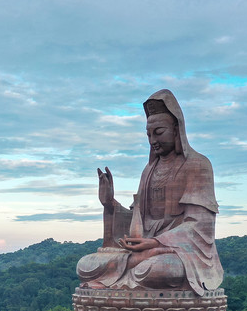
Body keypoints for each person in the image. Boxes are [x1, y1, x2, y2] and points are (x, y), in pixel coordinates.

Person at [76, 89, 223, 296]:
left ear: (175, 128)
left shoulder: (198, 165)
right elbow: (137, 219)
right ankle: (130, 268)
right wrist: (110, 204)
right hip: (143, 250)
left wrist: (156, 243)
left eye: (159, 132)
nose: (153, 140)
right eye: (148, 134)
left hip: (178, 253)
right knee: (86, 265)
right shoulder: (149, 170)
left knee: (160, 270)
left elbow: (200, 226)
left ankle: (127, 271)